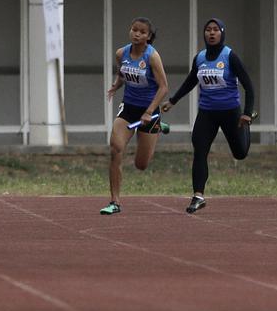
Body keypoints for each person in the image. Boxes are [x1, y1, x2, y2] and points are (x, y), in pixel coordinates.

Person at [161, 17, 256, 214]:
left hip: (231, 112)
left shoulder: (230, 56)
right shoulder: (200, 58)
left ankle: (247, 125)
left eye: (215, 29)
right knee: (199, 149)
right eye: (208, 30)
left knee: (240, 153)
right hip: (207, 112)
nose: (211, 33)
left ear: (222, 33)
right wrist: (173, 100)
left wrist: (246, 113)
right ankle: (198, 196)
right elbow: (190, 81)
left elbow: (249, 85)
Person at [100, 17, 170, 214]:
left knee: (141, 165)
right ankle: (115, 201)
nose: (137, 34)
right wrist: (116, 85)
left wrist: (149, 112)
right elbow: (123, 74)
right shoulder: (121, 53)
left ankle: (157, 127)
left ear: (148, 37)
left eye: (142, 32)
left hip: (149, 111)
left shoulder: (152, 57)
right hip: (128, 108)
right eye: (134, 30)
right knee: (115, 148)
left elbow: (164, 87)